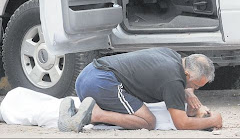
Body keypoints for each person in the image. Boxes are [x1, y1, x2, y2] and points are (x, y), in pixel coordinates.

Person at [58, 47, 222, 132]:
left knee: (127, 112)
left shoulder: (172, 56)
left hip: (87, 74)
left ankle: (78, 112)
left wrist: (188, 91)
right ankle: (95, 114)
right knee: (148, 122)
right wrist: (214, 120)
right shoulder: (173, 81)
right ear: (187, 73)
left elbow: (175, 80)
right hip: (101, 82)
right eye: (195, 86)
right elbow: (181, 123)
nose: (194, 90)